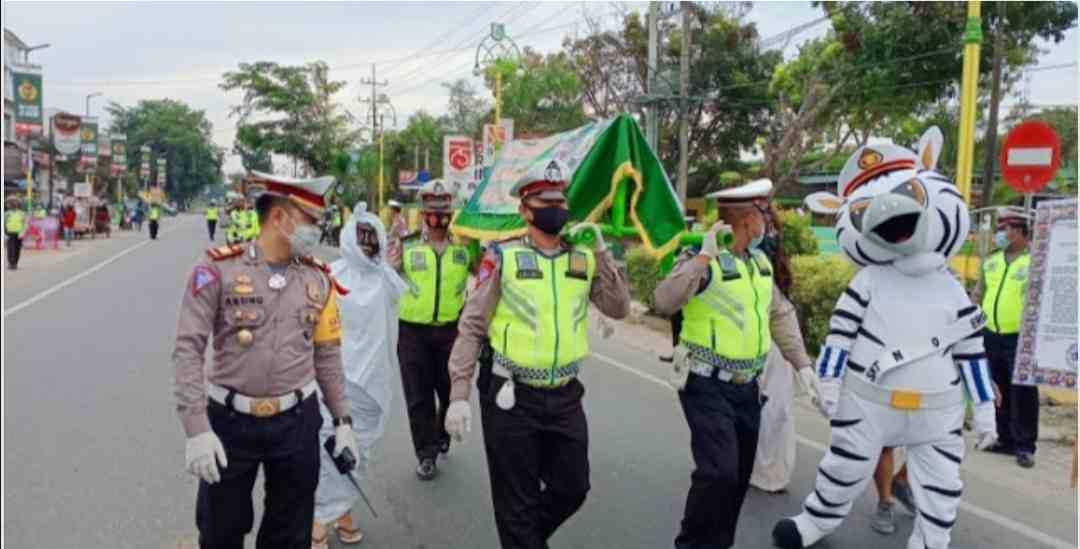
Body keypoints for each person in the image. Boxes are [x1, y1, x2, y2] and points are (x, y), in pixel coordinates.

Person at [774, 128, 995, 549]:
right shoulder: (868, 282)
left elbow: (972, 352)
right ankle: (817, 521)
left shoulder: (951, 288)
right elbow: (841, 337)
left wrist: (984, 408)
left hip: (938, 412)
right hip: (868, 401)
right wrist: (829, 385)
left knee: (942, 485)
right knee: (843, 468)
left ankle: (930, 541)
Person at [444, 159, 631, 549]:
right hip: (511, 395)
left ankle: (524, 540)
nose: (556, 209)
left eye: (560, 201)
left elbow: (618, 307)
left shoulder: (580, 258)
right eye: (545, 202)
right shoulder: (503, 257)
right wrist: (459, 395)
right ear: (525, 211)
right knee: (516, 500)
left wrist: (601, 253)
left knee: (573, 487)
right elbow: (472, 326)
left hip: (564, 395)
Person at [172, 176, 359, 549]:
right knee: (220, 532)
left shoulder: (318, 279)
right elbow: (188, 349)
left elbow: (327, 355)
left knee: (289, 535)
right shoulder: (217, 270)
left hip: (297, 422)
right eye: (310, 219)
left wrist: (342, 421)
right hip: (228, 424)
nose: (317, 230)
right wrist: (196, 428)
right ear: (279, 217)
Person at [653, 178, 817, 549]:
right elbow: (665, 300)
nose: (768, 225)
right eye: (765, 215)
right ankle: (691, 544)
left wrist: (802, 365)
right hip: (704, 383)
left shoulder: (759, 263)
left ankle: (718, 544)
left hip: (748, 387)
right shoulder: (700, 260)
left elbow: (780, 314)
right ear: (747, 218)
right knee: (718, 472)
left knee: (738, 477)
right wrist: (702, 258)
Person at [312, 204, 406, 548]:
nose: (368, 244)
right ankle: (321, 517)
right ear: (350, 238)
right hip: (335, 381)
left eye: (373, 237)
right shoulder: (327, 275)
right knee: (330, 449)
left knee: (360, 453)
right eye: (361, 236)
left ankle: (343, 512)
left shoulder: (386, 279)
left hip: (374, 385)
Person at [389, 181, 475, 480]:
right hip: (412, 333)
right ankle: (426, 454)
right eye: (433, 211)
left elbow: (487, 275)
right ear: (423, 212)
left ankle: (441, 433)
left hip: (451, 333)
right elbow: (388, 276)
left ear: (451, 213)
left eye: (444, 211)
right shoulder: (407, 244)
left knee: (450, 390)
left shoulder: (464, 249)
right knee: (418, 396)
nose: (439, 216)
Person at [749, 203, 807, 495]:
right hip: (750, 345)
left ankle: (773, 472)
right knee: (755, 410)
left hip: (777, 346)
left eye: (770, 224)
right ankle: (753, 467)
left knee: (779, 411)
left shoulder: (774, 258)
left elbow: (782, 311)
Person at [973, 206, 1037, 468]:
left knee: (1022, 390)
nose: (1004, 233)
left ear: (1022, 232)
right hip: (991, 334)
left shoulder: (1033, 261)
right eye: (1003, 228)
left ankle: (1025, 446)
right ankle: (1004, 439)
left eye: (1009, 228)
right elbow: (979, 293)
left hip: (1020, 337)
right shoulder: (992, 260)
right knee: (996, 387)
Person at [5, 196, 28, 270]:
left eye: (14, 202)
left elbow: (25, 223)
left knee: (17, 248)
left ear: (17, 204)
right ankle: (11, 263)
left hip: (19, 233)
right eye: (10, 202)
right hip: (10, 233)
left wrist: (23, 232)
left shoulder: (21, 213)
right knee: (11, 248)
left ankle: (15, 263)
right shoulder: (7, 213)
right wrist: (4, 234)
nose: (12, 204)